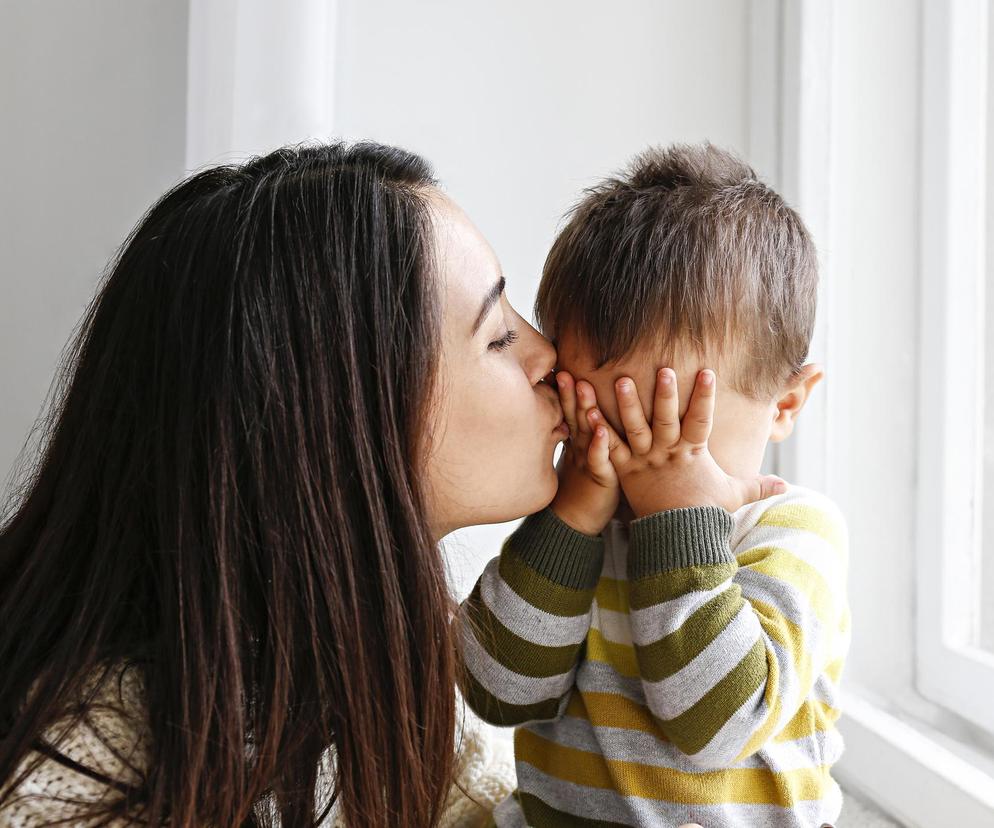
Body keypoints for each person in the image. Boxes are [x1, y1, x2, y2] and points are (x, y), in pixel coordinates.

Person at [0, 141, 761, 827]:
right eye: (498, 335)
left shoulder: (366, 669)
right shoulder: (79, 772)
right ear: (338, 413)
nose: (551, 360)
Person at [459, 143, 850, 827]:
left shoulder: (797, 533)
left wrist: (679, 522)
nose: (633, 464)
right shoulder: (580, 523)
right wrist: (574, 514)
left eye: (667, 431)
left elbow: (718, 724)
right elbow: (500, 692)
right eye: (600, 420)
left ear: (786, 404)